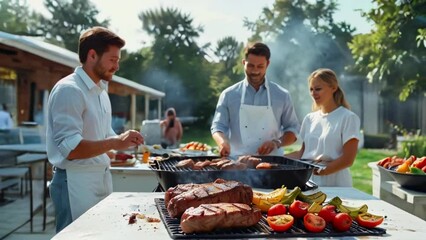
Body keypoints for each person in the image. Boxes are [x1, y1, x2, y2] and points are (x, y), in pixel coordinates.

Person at [46, 26, 144, 233]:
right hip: (74, 181)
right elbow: (71, 150)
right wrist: (115, 143)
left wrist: (122, 142)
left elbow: (104, 136)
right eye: (113, 59)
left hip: (98, 179)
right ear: (92, 55)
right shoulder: (69, 90)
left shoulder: (100, 91)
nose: (117, 66)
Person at [211, 42, 300, 157]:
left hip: (273, 163)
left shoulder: (282, 95)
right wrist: (222, 142)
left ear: (267, 64)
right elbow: (218, 126)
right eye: (250, 66)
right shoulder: (229, 95)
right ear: (244, 63)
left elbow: (293, 129)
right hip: (237, 162)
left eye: (260, 66)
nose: (255, 71)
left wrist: (276, 143)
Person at [285, 68, 360, 187]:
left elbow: (348, 159)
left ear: (333, 88)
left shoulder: (348, 118)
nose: (313, 93)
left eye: (318, 89)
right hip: (309, 180)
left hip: (336, 181)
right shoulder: (309, 119)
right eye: (311, 89)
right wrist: (275, 160)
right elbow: (302, 154)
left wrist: (323, 171)